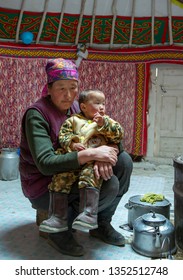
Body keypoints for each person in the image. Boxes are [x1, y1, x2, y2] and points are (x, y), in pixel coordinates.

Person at [19, 58, 133, 257]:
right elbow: (45, 164)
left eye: (73, 88)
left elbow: (108, 136)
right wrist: (91, 154)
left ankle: (100, 223)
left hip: (76, 170)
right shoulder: (37, 115)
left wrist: (103, 154)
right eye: (61, 88)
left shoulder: (77, 110)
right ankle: (59, 230)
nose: (68, 95)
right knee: (109, 185)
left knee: (124, 162)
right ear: (49, 88)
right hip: (44, 184)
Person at [39, 89, 124, 233]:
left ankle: (89, 215)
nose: (102, 107)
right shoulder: (73, 120)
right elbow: (64, 135)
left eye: (103, 103)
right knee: (60, 179)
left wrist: (105, 125)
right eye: (97, 103)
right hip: (73, 160)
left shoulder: (106, 121)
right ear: (83, 106)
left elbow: (118, 135)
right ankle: (58, 218)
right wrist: (72, 144)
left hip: (92, 162)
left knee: (90, 177)